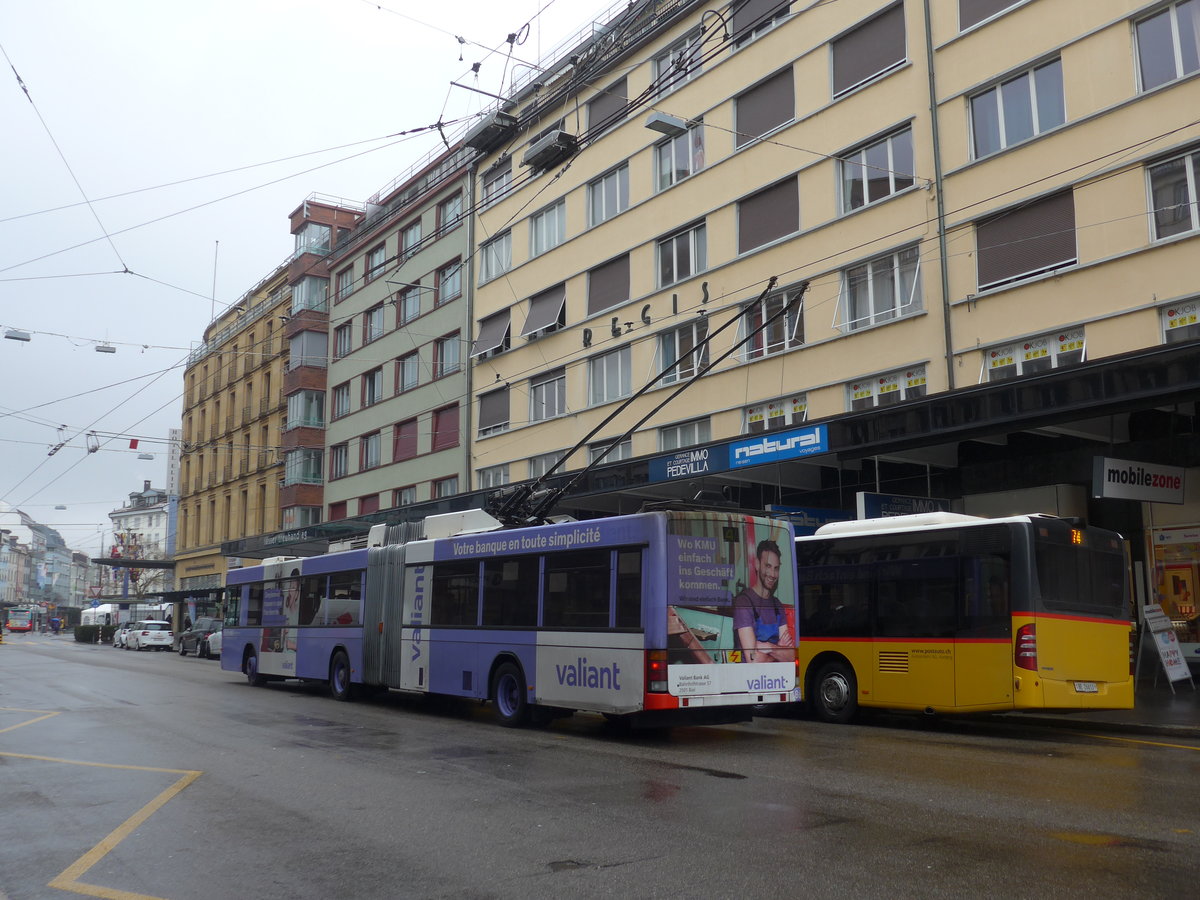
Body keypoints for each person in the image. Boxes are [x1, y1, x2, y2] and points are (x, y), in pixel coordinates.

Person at [733, 539, 793, 662]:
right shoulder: (744, 603)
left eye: (776, 568)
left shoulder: (777, 605)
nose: (772, 574)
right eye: (768, 566)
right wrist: (779, 649)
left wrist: (768, 647)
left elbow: (791, 656)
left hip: (775, 680)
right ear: (757, 564)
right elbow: (753, 659)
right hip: (749, 679)